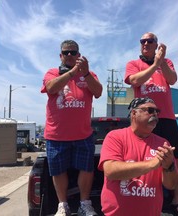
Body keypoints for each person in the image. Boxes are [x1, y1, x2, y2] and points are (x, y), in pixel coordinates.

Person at [124, 32, 178, 215]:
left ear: (156, 44)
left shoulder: (166, 63)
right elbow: (135, 80)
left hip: (166, 117)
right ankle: (143, 193)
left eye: (149, 41)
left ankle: (177, 197)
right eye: (142, 41)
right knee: (144, 155)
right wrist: (154, 65)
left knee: (177, 157)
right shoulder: (133, 64)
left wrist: (161, 61)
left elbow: (172, 80)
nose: (145, 43)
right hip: (143, 117)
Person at [41, 40, 103, 216]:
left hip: (83, 134)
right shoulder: (52, 73)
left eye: (73, 52)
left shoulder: (89, 74)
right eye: (66, 52)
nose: (69, 55)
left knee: (86, 169)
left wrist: (85, 74)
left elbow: (98, 92)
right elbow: (51, 88)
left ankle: (85, 203)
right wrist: (73, 73)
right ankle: (63, 205)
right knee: (58, 171)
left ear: (78, 55)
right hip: (56, 135)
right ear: (60, 56)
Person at [98, 97, 178, 216]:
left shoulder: (163, 144)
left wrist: (169, 167)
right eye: (150, 110)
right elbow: (111, 171)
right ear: (134, 113)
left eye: (157, 112)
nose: (155, 115)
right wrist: (152, 164)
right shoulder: (115, 137)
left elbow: (171, 184)